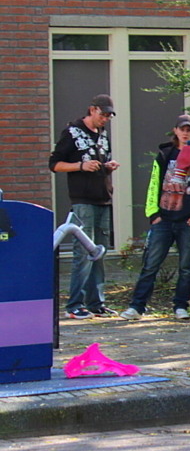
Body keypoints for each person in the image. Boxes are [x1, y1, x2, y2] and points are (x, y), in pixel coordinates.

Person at [120, 114, 190, 321]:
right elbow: (154, 183)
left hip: (187, 221)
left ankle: (181, 305)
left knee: (186, 266)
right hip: (163, 219)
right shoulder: (165, 154)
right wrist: (153, 214)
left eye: (189, 129)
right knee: (151, 264)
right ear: (175, 131)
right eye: (182, 129)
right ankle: (137, 306)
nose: (185, 133)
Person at [48, 94, 121, 319]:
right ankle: (74, 305)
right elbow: (55, 164)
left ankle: (96, 303)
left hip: (103, 199)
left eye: (109, 116)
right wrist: (81, 165)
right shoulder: (72, 132)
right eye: (103, 114)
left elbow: (98, 163)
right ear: (92, 110)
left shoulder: (103, 134)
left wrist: (107, 167)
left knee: (100, 251)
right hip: (83, 201)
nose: (105, 119)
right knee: (83, 253)